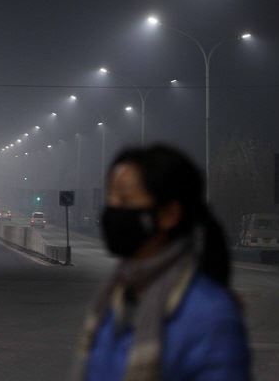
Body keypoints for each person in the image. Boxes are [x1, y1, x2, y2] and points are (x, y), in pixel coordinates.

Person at [73, 145, 250, 381]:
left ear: (169, 215)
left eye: (125, 200)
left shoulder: (212, 316)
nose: (113, 211)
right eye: (110, 200)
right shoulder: (113, 300)